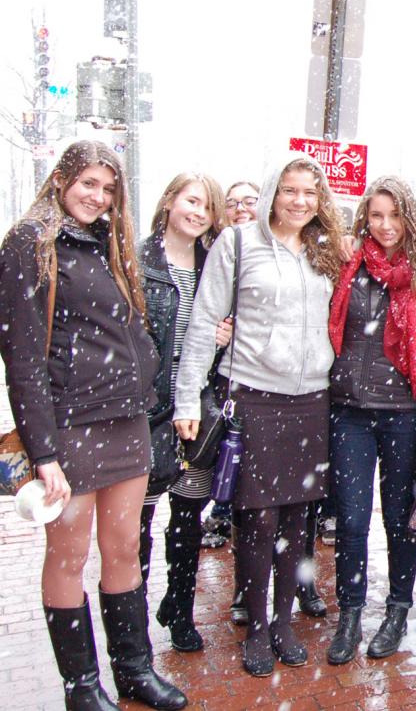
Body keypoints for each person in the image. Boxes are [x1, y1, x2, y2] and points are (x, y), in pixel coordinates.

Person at [0, 141, 187, 710]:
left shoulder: (109, 243)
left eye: (108, 188)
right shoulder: (30, 244)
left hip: (126, 423)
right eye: (87, 183)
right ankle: (81, 685)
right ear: (62, 180)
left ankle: (133, 670)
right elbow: (23, 360)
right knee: (68, 555)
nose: (97, 197)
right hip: (71, 425)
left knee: (124, 547)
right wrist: (44, 451)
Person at [173, 152, 344, 676]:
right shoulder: (239, 243)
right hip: (255, 395)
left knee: (298, 515)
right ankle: (258, 629)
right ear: (274, 192)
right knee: (257, 515)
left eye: (310, 193)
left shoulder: (325, 251)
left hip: (312, 398)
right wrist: (186, 397)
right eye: (290, 190)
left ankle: (285, 621)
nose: (299, 201)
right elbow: (205, 321)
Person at [325, 176, 416, 665]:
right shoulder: (346, 261)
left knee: (401, 522)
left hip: (403, 413)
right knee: (353, 521)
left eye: (394, 215)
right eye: (376, 216)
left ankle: (398, 609)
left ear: (409, 219)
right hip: (349, 413)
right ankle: (350, 614)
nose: (385, 226)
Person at [137, 173, 229, 654]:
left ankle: (179, 608)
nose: (198, 212)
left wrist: (222, 337)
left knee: (188, 514)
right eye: (191, 200)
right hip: (146, 406)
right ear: (170, 201)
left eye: (207, 206)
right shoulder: (136, 260)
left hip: (198, 405)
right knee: (139, 519)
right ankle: (133, 621)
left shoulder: (212, 264)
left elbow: (222, 323)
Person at [200, 180, 260, 552]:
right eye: (232, 202)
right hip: (220, 370)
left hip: (250, 370)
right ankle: (221, 510)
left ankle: (228, 513)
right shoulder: (215, 250)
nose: (240, 208)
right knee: (223, 445)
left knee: (241, 450)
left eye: (249, 201)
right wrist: (216, 331)